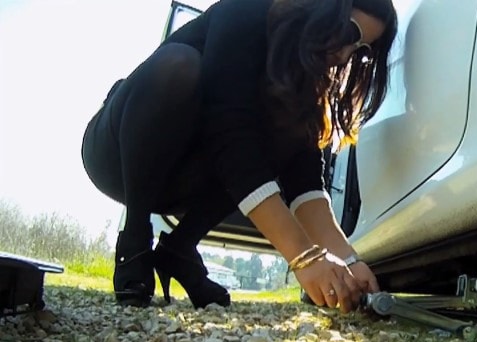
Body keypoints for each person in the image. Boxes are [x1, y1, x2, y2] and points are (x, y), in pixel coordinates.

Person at [80, 0, 398, 314]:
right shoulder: (248, 10)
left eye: (361, 50)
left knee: (289, 127)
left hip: (184, 184)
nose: (345, 55)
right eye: (349, 31)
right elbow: (229, 135)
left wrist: (351, 263)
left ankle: (178, 249)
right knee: (178, 66)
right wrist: (304, 258)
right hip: (115, 154)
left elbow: (307, 186)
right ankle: (134, 242)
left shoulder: (308, 84)